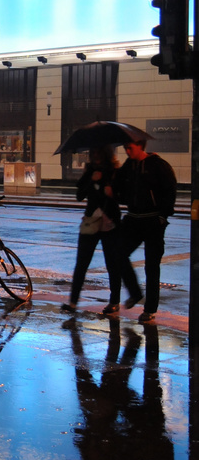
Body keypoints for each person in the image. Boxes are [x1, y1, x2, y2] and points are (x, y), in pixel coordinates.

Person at [114, 138, 177, 324]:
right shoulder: (129, 165)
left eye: (130, 147)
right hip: (134, 218)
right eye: (125, 147)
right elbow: (119, 186)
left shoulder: (158, 165)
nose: (127, 151)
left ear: (140, 146)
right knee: (118, 254)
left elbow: (170, 191)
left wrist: (162, 217)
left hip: (152, 219)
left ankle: (150, 309)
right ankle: (135, 293)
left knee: (152, 265)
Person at [62, 145, 124, 317]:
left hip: (110, 221)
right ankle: (73, 302)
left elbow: (123, 195)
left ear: (106, 155)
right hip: (91, 221)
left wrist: (111, 192)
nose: (95, 156)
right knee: (81, 262)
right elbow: (79, 195)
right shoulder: (90, 171)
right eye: (93, 153)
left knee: (112, 263)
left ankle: (114, 301)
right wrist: (92, 180)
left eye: (99, 153)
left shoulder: (114, 172)